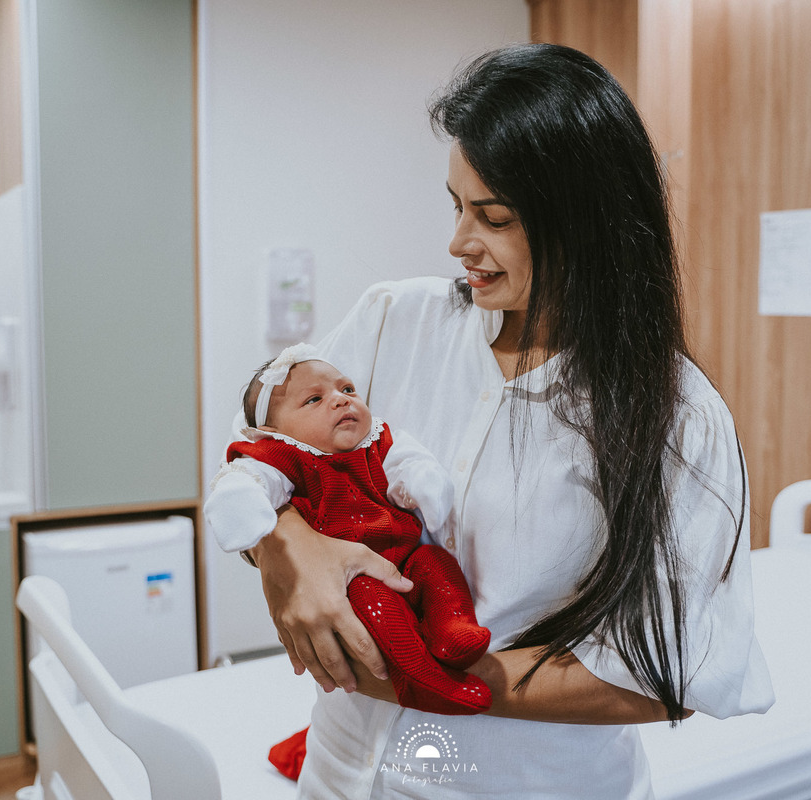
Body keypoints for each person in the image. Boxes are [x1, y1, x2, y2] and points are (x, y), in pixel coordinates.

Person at [207, 43, 774, 799]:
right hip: (340, 774)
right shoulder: (393, 322)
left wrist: (427, 678)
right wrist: (293, 550)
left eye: (494, 217)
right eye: (456, 205)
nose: (458, 243)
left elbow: (669, 672)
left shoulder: (673, 417)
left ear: (589, 224)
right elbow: (258, 468)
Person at [205, 342, 492, 717]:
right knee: (377, 606)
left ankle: (452, 628)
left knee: (435, 562)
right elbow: (244, 481)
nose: (340, 400)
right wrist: (241, 507)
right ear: (272, 430)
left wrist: (423, 483)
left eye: (348, 390)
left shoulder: (377, 441)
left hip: (407, 559)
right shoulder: (283, 456)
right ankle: (420, 679)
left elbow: (411, 462)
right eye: (313, 400)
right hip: (350, 577)